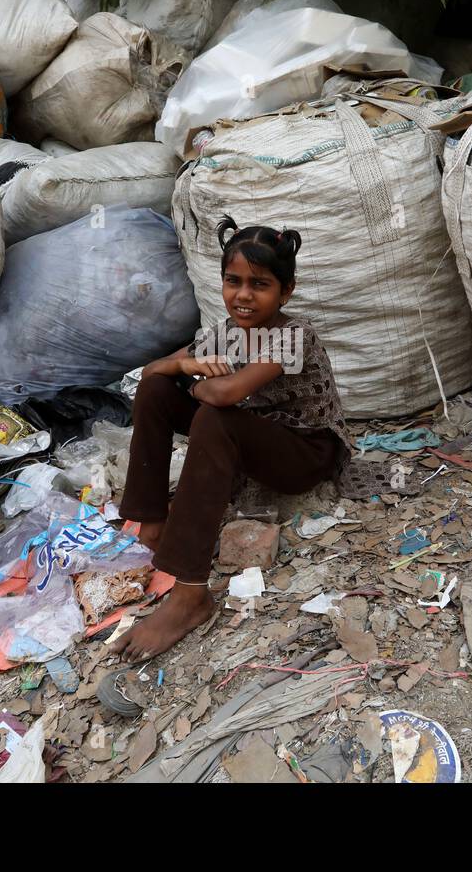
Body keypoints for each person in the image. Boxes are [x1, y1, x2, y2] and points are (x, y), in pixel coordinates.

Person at [111, 215, 348, 662]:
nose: (243, 295)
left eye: (259, 284)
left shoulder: (293, 335)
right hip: (257, 439)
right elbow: (151, 372)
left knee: (214, 416)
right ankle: (152, 522)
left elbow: (225, 393)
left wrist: (198, 384)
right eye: (233, 281)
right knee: (157, 390)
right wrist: (182, 367)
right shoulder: (226, 333)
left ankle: (190, 595)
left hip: (304, 453)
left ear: (286, 291)